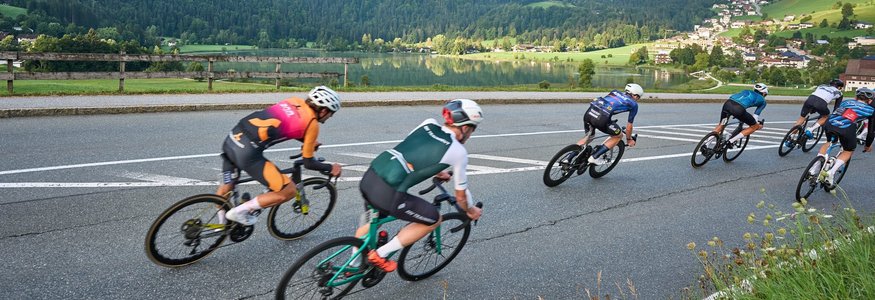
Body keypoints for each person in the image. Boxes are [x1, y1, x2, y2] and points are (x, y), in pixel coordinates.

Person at [354, 99, 484, 272]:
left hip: (370, 177)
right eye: (473, 129)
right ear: (466, 127)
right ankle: (380, 254)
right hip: (389, 192)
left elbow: (414, 152)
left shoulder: (428, 124)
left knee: (374, 221)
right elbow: (461, 197)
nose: (471, 134)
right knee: (433, 219)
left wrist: (438, 172)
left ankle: (352, 264)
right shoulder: (459, 152)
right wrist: (471, 211)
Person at [220, 86, 343, 225]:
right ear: (324, 110)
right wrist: (330, 167)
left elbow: (285, 124)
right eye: (331, 113)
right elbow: (308, 163)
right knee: (288, 190)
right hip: (247, 153)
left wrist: (308, 141)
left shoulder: (293, 101)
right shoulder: (312, 124)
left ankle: (220, 226)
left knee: (227, 185)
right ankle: (239, 212)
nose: (330, 116)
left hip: (233, 137)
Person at [809, 87, 875, 186]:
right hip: (846, 128)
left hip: (830, 123)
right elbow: (871, 131)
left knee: (829, 143)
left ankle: (814, 168)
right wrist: (868, 145)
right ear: (870, 100)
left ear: (855, 97)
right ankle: (831, 172)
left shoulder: (846, 102)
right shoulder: (871, 110)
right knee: (848, 150)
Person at [577, 83, 642, 165]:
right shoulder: (633, 104)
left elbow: (608, 105)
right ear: (635, 95)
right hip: (602, 119)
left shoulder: (615, 92)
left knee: (589, 137)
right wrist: (629, 140)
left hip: (589, 112)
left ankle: (569, 157)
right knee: (619, 135)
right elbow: (629, 126)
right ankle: (594, 157)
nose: (637, 99)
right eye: (638, 97)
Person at [709, 83, 768, 147]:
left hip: (727, 104)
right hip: (738, 110)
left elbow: (740, 101)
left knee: (721, 125)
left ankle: (706, 145)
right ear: (764, 93)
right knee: (754, 126)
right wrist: (758, 126)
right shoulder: (763, 101)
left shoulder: (745, 91)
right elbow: (755, 117)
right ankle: (731, 141)